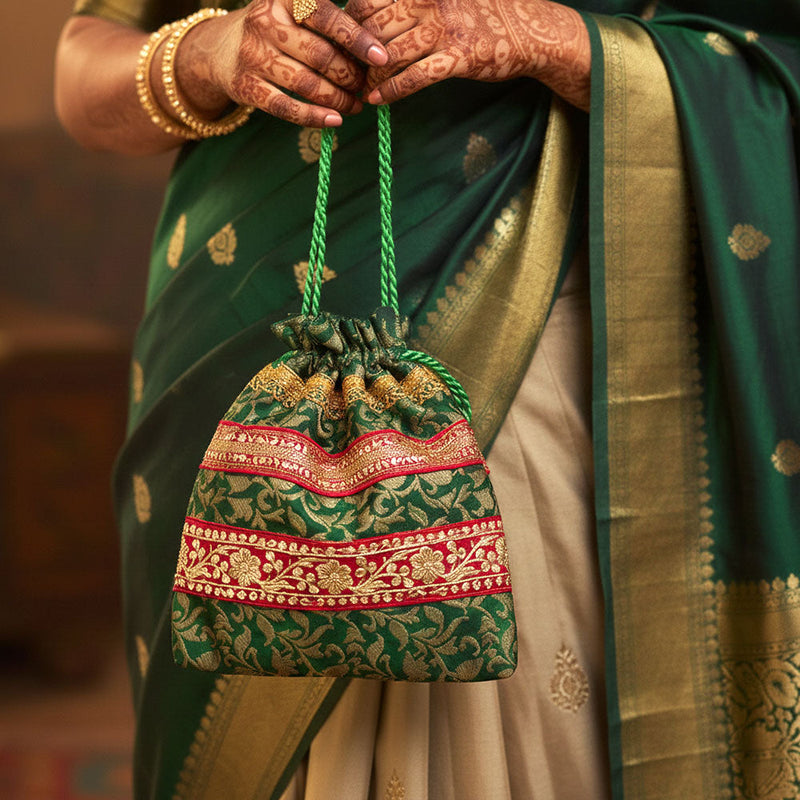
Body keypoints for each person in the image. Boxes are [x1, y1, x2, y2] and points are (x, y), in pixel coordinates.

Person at [54, 0, 800, 797]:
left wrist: (537, 35)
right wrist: (210, 54)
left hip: (550, 324)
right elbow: (81, 70)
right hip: (240, 325)